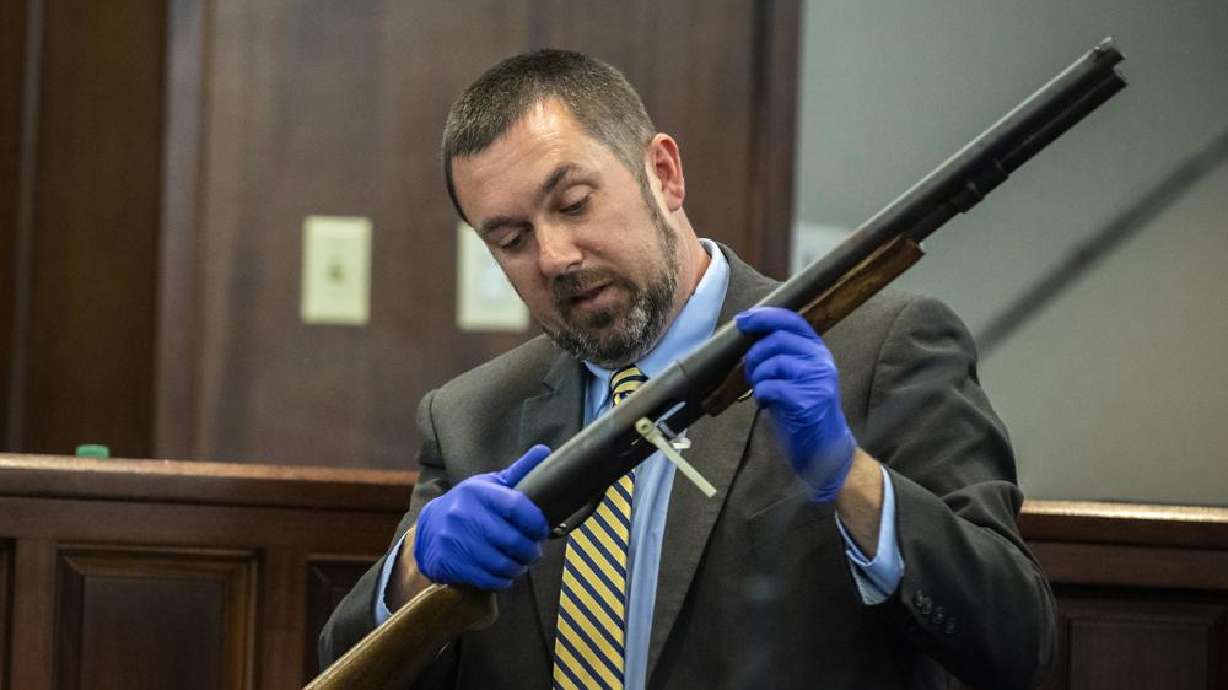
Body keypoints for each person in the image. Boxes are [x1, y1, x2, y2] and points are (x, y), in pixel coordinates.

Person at [319, 49, 1055, 690]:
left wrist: (851, 481)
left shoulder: (879, 348)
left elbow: (1018, 644)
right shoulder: (469, 416)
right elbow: (343, 671)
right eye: (511, 239)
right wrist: (413, 573)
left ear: (663, 174)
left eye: (574, 204)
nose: (554, 257)